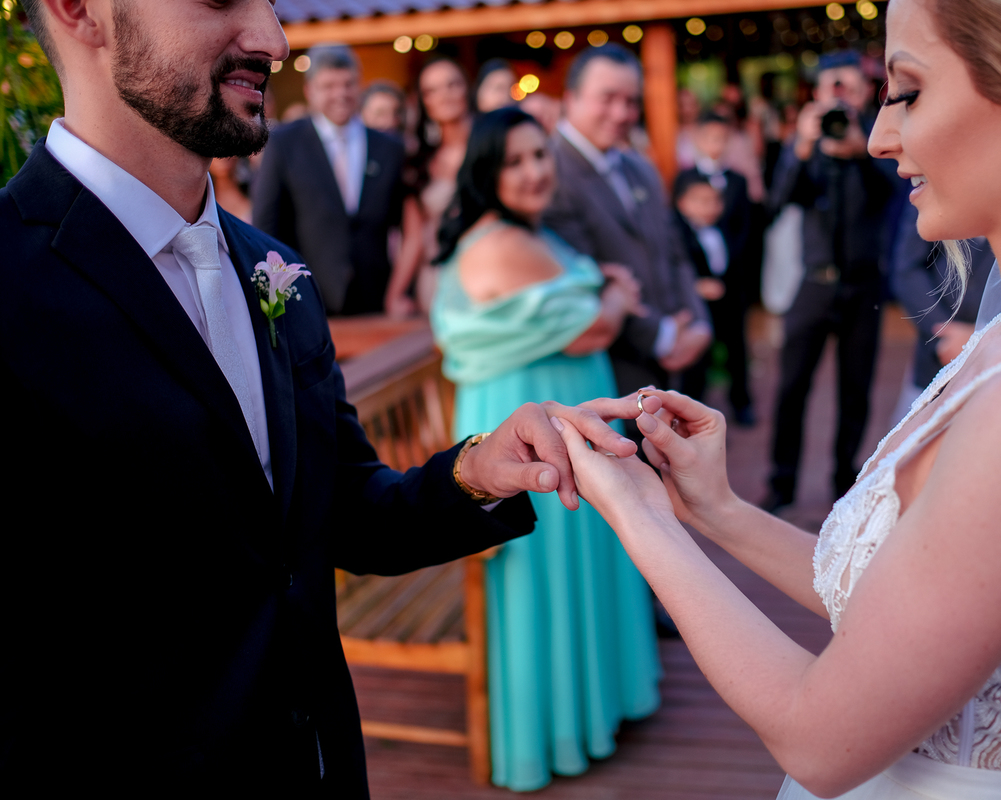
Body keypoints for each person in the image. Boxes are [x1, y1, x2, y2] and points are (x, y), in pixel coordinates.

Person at [551, 0, 1001, 798]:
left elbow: (819, 741)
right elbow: (910, 610)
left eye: (910, 92)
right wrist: (713, 509)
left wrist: (639, 517)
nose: (879, 136)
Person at [0, 1, 643, 795]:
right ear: (78, 10)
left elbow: (337, 514)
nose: (272, 41)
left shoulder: (276, 270)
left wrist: (480, 469)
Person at [430, 107, 661, 792]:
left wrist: (605, 288)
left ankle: (591, 706)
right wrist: (615, 292)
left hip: (549, 417)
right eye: (515, 160)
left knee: (572, 565)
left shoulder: (527, 233)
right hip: (525, 433)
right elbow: (591, 328)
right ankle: (553, 730)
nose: (534, 171)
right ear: (485, 172)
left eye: (540, 155)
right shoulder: (499, 241)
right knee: (543, 573)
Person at [763, 50, 898, 511]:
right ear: (817, 93)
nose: (839, 96)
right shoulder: (806, 145)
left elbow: (893, 193)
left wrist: (861, 152)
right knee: (791, 387)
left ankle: (845, 482)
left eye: (848, 86)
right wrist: (801, 147)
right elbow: (777, 201)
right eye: (830, 87)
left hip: (864, 286)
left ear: (861, 90)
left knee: (855, 390)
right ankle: (782, 485)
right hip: (814, 284)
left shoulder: (877, 138)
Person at [543, 44, 711, 401]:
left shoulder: (641, 167)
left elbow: (674, 251)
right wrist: (663, 336)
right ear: (570, 98)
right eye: (607, 98)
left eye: (631, 101)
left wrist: (698, 323)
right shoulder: (549, 174)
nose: (621, 113)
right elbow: (585, 277)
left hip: (669, 361)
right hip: (609, 373)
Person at [251, 44, 407, 316]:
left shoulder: (390, 148)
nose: (340, 94)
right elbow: (267, 225)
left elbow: (405, 224)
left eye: (348, 84)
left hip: (379, 300)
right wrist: (276, 299)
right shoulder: (283, 143)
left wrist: (400, 291)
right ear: (309, 91)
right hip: (307, 300)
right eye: (328, 86)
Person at [676, 111, 756, 425]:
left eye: (722, 139)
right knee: (700, 355)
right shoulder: (685, 179)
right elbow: (678, 237)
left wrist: (730, 275)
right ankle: (694, 414)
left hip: (730, 282)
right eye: (710, 138)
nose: (716, 144)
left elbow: (745, 229)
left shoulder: (737, 180)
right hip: (698, 287)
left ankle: (742, 403)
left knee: (737, 347)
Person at [889, 201, 993, 420]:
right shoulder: (929, 194)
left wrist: (980, 336)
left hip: (993, 361)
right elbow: (908, 269)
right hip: (936, 352)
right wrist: (944, 331)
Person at [388, 57, 472, 316]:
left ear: (467, 89)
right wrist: (394, 295)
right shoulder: (420, 163)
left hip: (486, 272)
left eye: (452, 85)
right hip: (438, 280)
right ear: (424, 102)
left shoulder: (492, 149)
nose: (444, 96)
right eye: (431, 91)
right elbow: (414, 238)